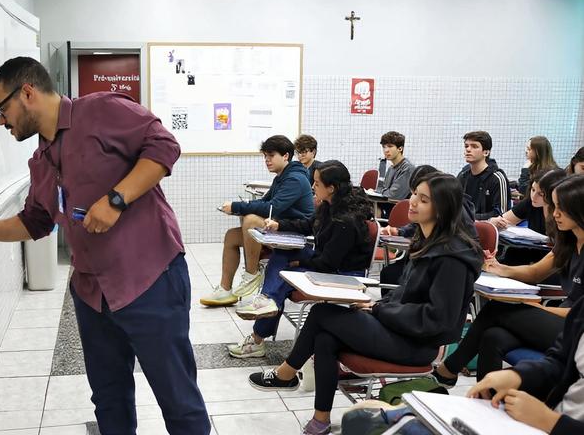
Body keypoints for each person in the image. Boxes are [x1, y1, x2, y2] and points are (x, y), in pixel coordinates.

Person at [0, 57, 210, 435]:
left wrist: (116, 199)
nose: (1, 121)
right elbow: (33, 223)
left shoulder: (101, 110)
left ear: (28, 93)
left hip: (150, 280)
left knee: (178, 400)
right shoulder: (41, 161)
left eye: (2, 109)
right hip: (92, 295)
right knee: (109, 399)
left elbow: (165, 146)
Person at [247, 173, 483, 435]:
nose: (413, 201)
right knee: (325, 338)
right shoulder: (427, 242)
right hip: (399, 328)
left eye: (424, 200)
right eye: (415, 193)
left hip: (418, 344)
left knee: (322, 312)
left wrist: (381, 310)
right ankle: (321, 419)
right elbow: (403, 293)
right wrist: (375, 307)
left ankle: (286, 373)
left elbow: (436, 319)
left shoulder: (451, 259)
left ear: (442, 209)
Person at [433, 174, 584, 385]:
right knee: (493, 336)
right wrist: (499, 268)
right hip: (562, 321)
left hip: (578, 329)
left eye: (562, 208)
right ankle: (484, 398)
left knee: (496, 309)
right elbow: (535, 272)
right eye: (554, 206)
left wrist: (537, 308)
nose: (555, 214)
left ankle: (449, 369)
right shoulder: (569, 241)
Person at [229, 161, 373, 358]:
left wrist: (300, 264)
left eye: (317, 183)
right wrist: (279, 225)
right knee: (282, 253)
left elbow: (328, 264)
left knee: (284, 276)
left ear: (331, 188)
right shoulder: (328, 206)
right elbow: (308, 225)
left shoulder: (346, 221)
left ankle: (258, 334)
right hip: (325, 260)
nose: (313, 187)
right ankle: (267, 301)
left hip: (341, 273)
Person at [200, 135, 314, 306]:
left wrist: (238, 206)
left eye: (271, 155)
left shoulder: (295, 179)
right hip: (280, 229)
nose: (267, 160)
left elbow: (271, 208)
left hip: (296, 234)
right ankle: (225, 290)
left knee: (251, 220)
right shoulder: (282, 177)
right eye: (265, 156)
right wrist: (238, 208)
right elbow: (264, 202)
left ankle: (251, 274)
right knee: (231, 237)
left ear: (285, 156)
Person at [466, 293, 584, 434]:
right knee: (494, 335)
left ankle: (447, 372)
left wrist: (548, 420)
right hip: (551, 419)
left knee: (496, 310)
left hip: (554, 424)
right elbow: (561, 362)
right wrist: (518, 376)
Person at [492, 169, 567, 265]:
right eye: (533, 189)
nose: (533, 196)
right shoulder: (530, 203)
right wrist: (494, 222)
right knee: (513, 253)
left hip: (555, 257)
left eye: (541, 194)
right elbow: (503, 219)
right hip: (533, 252)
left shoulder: (565, 212)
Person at [457, 130, 511, 220]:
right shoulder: (463, 175)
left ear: (486, 152)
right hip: (466, 224)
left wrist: (470, 218)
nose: (468, 149)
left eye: (474, 146)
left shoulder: (497, 178)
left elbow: (502, 214)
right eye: (466, 146)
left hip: (488, 226)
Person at [375, 131, 415, 201]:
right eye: (384, 147)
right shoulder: (391, 168)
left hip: (398, 206)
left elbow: (393, 196)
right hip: (386, 204)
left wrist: (380, 191)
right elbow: (385, 190)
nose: (386, 150)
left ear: (400, 149)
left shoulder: (408, 168)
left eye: (390, 146)